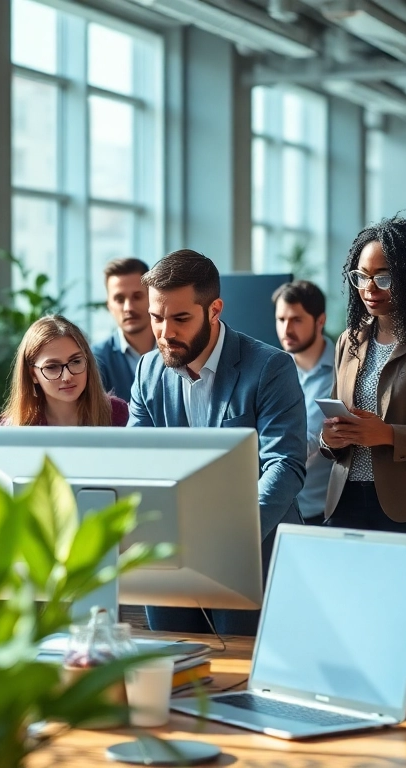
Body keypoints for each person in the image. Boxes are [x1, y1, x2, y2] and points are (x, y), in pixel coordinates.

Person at [129, 249, 307, 636]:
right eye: (156, 318)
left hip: (249, 551)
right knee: (172, 660)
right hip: (170, 554)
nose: (165, 333)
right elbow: (136, 462)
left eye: (180, 319)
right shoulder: (148, 370)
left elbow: (285, 465)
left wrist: (231, 537)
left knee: (242, 666)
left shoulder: (269, 367)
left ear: (214, 310)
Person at [320, 215, 406, 581]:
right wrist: (330, 438)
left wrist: (390, 435)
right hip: (346, 501)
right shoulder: (349, 341)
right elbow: (335, 416)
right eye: (362, 276)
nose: (370, 288)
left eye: (384, 277)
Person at [272, 280, 333, 523]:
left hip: (321, 514)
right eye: (281, 319)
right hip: (276, 508)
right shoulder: (271, 370)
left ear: (320, 321)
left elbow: (307, 443)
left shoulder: (343, 371)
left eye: (296, 320)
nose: (286, 330)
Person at [0, 315, 129, 427]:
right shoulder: (15, 426)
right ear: (33, 374)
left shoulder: (118, 413)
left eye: (76, 361)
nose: (67, 377)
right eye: (52, 367)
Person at [92, 258, 155, 404]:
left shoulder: (176, 349)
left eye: (137, 296)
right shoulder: (95, 359)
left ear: (153, 297)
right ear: (109, 306)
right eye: (119, 299)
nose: (128, 308)